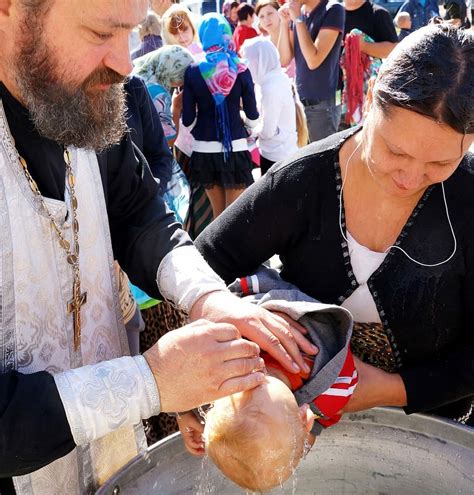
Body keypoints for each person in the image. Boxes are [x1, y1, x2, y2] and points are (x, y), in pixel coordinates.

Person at [0, 1, 318, 493]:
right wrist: (151, 382)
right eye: (101, 32)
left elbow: (138, 211)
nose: (126, 64)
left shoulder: (82, 91)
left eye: (128, 32)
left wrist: (208, 300)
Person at [196, 25, 474, 426]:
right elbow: (202, 268)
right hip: (301, 423)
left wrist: (394, 388)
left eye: (440, 164)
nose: (410, 179)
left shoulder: (467, 197)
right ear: (373, 97)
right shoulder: (302, 182)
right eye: (395, 151)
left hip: (437, 424)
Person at [176, 267, 358, 492]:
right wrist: (184, 410)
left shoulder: (335, 387)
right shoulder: (219, 363)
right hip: (263, 292)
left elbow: (330, 407)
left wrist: (311, 430)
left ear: (306, 418)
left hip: (270, 298)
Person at [182, 13, 259, 219]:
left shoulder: (193, 70)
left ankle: (214, 252)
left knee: (218, 217)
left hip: (203, 150)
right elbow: (253, 115)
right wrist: (247, 124)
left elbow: (187, 120)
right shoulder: (241, 68)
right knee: (232, 219)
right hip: (235, 147)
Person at [278, 0, 346, 143]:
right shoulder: (299, 13)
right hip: (300, 103)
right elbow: (284, 59)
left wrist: (297, 19)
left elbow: (313, 60)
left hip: (322, 106)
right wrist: (284, 23)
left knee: (322, 163)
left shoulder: (333, 9)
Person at [241, 37, 307, 174]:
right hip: (283, 153)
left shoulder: (270, 88)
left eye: (248, 62)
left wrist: (250, 130)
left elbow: (268, 131)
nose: (245, 67)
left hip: (276, 159)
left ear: (259, 61)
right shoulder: (273, 80)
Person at [340, 0, 398, 126]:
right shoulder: (334, 14)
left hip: (368, 96)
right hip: (336, 96)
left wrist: (363, 46)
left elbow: (392, 49)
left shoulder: (378, 14)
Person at [133, 45, 195, 146]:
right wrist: (176, 107)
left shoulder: (140, 78)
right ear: (174, 72)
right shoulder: (158, 93)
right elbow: (167, 142)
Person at [255, 0, 296, 78]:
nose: (266, 20)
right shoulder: (262, 44)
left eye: (270, 14)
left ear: (279, 12)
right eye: (261, 16)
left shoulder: (292, 34)